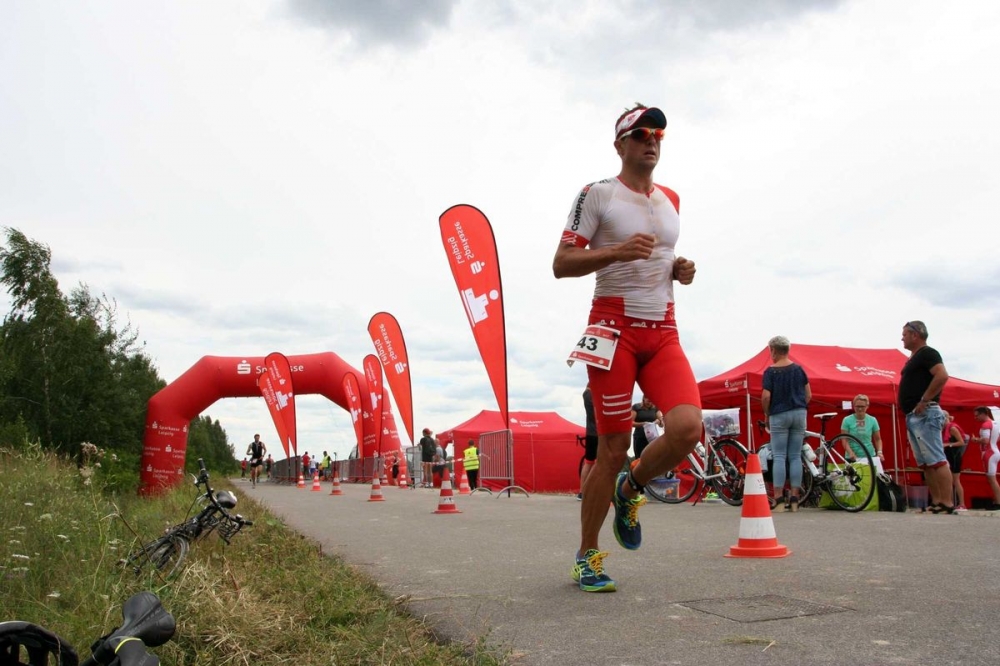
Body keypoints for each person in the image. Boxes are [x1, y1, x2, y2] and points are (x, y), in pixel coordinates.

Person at [553, 103, 703, 593]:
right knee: (613, 448)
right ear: (620, 144)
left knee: (688, 429)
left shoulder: (671, 198)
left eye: (658, 134)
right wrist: (616, 251)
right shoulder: (597, 193)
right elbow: (561, 263)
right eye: (640, 134)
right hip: (612, 328)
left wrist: (679, 269)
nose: (651, 141)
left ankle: (632, 486)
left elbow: (661, 259)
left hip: (663, 330)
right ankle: (587, 555)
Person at [898, 320, 954, 513]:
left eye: (905, 334)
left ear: (916, 335)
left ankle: (947, 502)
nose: (902, 338)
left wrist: (924, 399)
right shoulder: (914, 357)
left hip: (925, 413)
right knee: (926, 463)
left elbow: (942, 375)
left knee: (936, 459)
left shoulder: (928, 353)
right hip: (914, 416)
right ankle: (936, 501)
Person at [761, 336, 811, 512]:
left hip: (779, 414)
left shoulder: (771, 372)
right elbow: (808, 394)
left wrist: (767, 414)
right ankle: (795, 498)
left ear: (773, 350)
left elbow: (766, 396)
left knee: (779, 456)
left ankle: (779, 499)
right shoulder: (799, 369)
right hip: (799, 413)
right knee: (795, 456)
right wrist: (799, 407)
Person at [971, 406, 1000, 510]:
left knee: (992, 479)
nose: (976, 418)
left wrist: (975, 440)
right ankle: (997, 501)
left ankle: (998, 502)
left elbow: (985, 441)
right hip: (994, 451)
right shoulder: (995, 423)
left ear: (984, 414)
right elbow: (997, 438)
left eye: (977, 415)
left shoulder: (986, 425)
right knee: (992, 479)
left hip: (989, 453)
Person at [840, 394, 883, 461]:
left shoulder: (873, 420)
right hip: (852, 457)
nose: (860, 409)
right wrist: (850, 452)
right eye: (857, 406)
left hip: (869, 455)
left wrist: (879, 452)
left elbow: (878, 439)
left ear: (867, 406)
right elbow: (844, 439)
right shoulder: (846, 420)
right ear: (854, 406)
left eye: (862, 406)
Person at [941, 410, 968, 511]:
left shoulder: (952, 428)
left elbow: (961, 442)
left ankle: (962, 503)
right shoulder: (945, 429)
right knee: (948, 481)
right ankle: (950, 502)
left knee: (956, 480)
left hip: (955, 456)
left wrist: (948, 444)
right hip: (949, 455)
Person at [579, 385, 599, 500]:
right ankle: (595, 490)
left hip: (590, 432)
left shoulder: (586, 394)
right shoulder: (593, 394)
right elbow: (597, 414)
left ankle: (582, 491)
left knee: (589, 462)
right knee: (600, 463)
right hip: (598, 433)